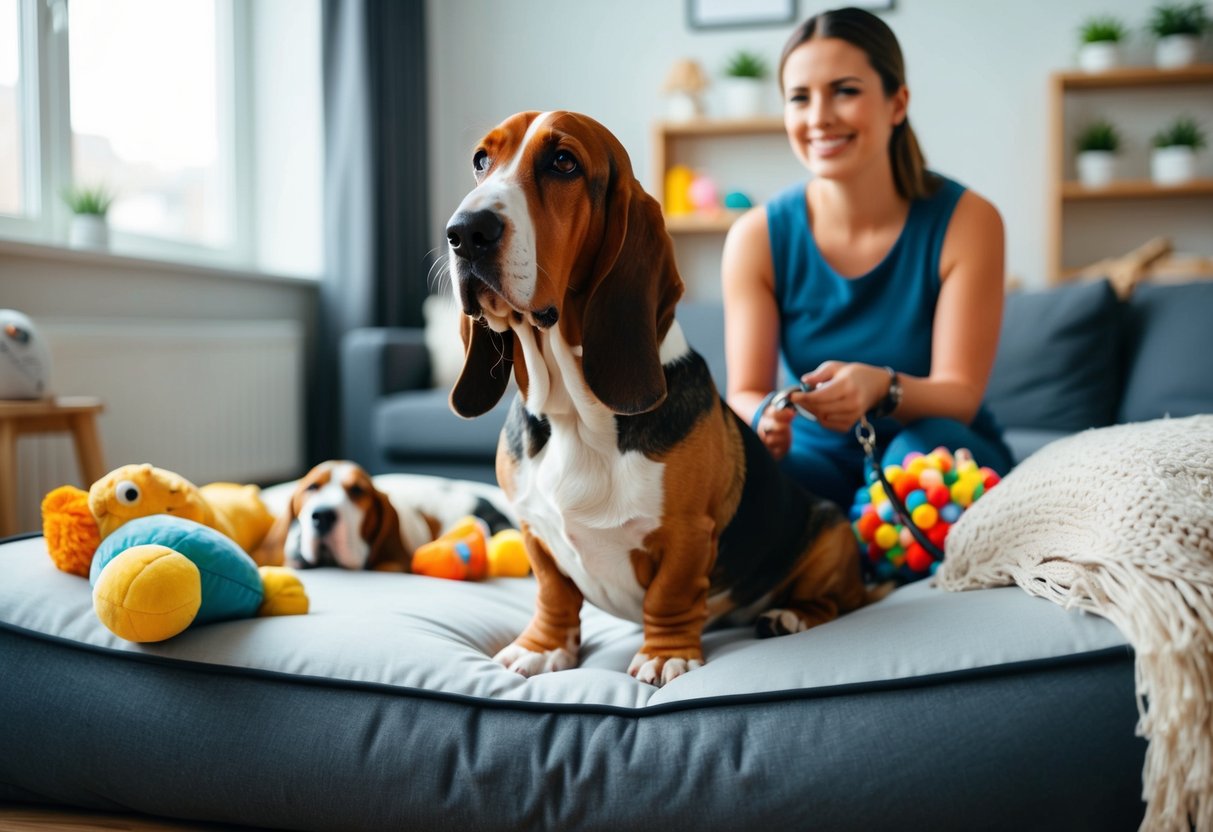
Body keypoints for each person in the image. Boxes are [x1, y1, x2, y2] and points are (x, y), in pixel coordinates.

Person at [722, 6, 1014, 511]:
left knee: (914, 466)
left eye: (845, 90)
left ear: (897, 103)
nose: (818, 118)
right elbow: (746, 390)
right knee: (735, 481)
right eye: (799, 98)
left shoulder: (970, 221)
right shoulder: (755, 238)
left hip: (934, 452)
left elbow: (961, 393)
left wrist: (884, 387)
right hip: (813, 457)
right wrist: (766, 416)